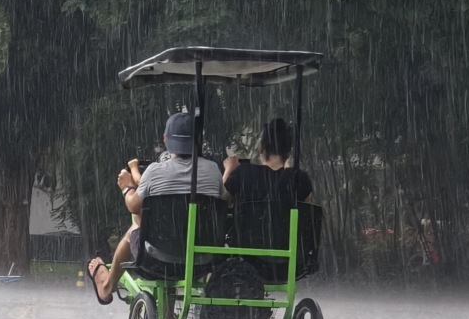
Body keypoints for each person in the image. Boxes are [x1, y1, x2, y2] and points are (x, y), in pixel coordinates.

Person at [86, 110, 223, 305]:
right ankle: (168, 313)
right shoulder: (213, 170)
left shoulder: (155, 171)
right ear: (197, 140)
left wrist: (127, 187)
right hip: (201, 262)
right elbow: (225, 199)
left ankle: (108, 285)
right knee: (175, 228)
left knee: (137, 223)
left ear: (165, 139)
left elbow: (133, 206)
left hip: (157, 261)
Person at [221, 118, 313, 207]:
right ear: (289, 151)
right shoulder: (298, 179)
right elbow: (308, 212)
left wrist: (228, 171)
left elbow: (220, 205)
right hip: (282, 219)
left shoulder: (243, 174)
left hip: (249, 218)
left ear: (262, 147)